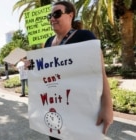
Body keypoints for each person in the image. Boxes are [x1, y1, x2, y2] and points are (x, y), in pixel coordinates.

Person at [44, 1, 113, 139]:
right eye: (50, 15)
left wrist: (107, 106)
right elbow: (45, 72)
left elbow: (99, 72)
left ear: (70, 15)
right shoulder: (48, 42)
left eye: (57, 14)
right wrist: (32, 65)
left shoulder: (85, 37)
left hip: (81, 110)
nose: (52, 18)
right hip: (56, 109)